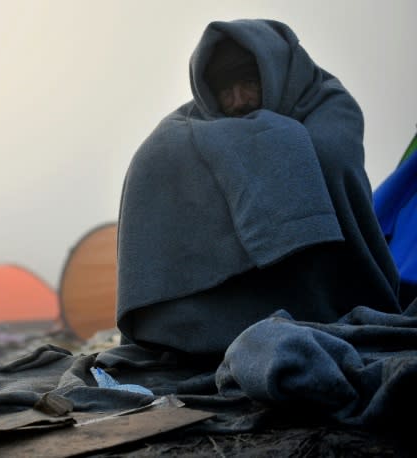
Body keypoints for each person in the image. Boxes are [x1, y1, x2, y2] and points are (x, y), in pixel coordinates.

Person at [114, 19, 401, 357]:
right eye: (224, 90)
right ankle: (184, 330)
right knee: (159, 154)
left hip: (326, 297)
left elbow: (330, 160)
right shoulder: (194, 121)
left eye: (249, 83)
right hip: (219, 322)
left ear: (274, 73)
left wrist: (257, 144)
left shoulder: (329, 104)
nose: (237, 102)